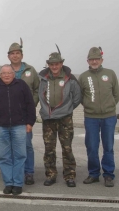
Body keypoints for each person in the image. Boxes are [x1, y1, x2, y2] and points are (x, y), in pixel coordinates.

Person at [0, 65, 36, 195]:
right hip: (1, 127)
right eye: (4, 73)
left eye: (9, 73)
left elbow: (30, 105)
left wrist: (30, 123)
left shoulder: (22, 85)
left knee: (20, 155)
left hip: (19, 126)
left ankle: (17, 184)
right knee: (4, 157)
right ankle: (8, 183)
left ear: (13, 74)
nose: (6, 75)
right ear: (0, 75)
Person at [78, 47, 119, 187]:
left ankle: (108, 175)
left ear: (101, 60)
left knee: (108, 146)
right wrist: (90, 106)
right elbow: (81, 96)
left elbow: (116, 95)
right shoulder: (83, 77)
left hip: (109, 117)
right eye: (91, 59)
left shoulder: (110, 74)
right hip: (91, 118)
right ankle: (94, 174)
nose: (94, 61)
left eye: (97, 59)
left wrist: (110, 106)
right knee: (92, 146)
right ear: (87, 61)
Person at [38, 52, 81, 187]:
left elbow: (77, 97)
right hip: (48, 118)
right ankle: (51, 175)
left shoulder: (70, 78)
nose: (54, 66)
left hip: (65, 119)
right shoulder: (43, 78)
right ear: (48, 65)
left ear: (61, 64)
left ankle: (69, 176)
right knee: (49, 149)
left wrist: (67, 109)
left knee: (67, 148)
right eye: (52, 64)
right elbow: (39, 94)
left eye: (57, 64)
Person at [7, 39, 39, 185]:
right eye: (12, 53)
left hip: (26, 115)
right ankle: (16, 171)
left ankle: (29, 172)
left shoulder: (30, 71)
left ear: (22, 54)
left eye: (17, 53)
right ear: (9, 56)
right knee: (13, 145)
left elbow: (38, 89)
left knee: (26, 144)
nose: (15, 56)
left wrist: (32, 104)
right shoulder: (5, 70)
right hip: (10, 115)